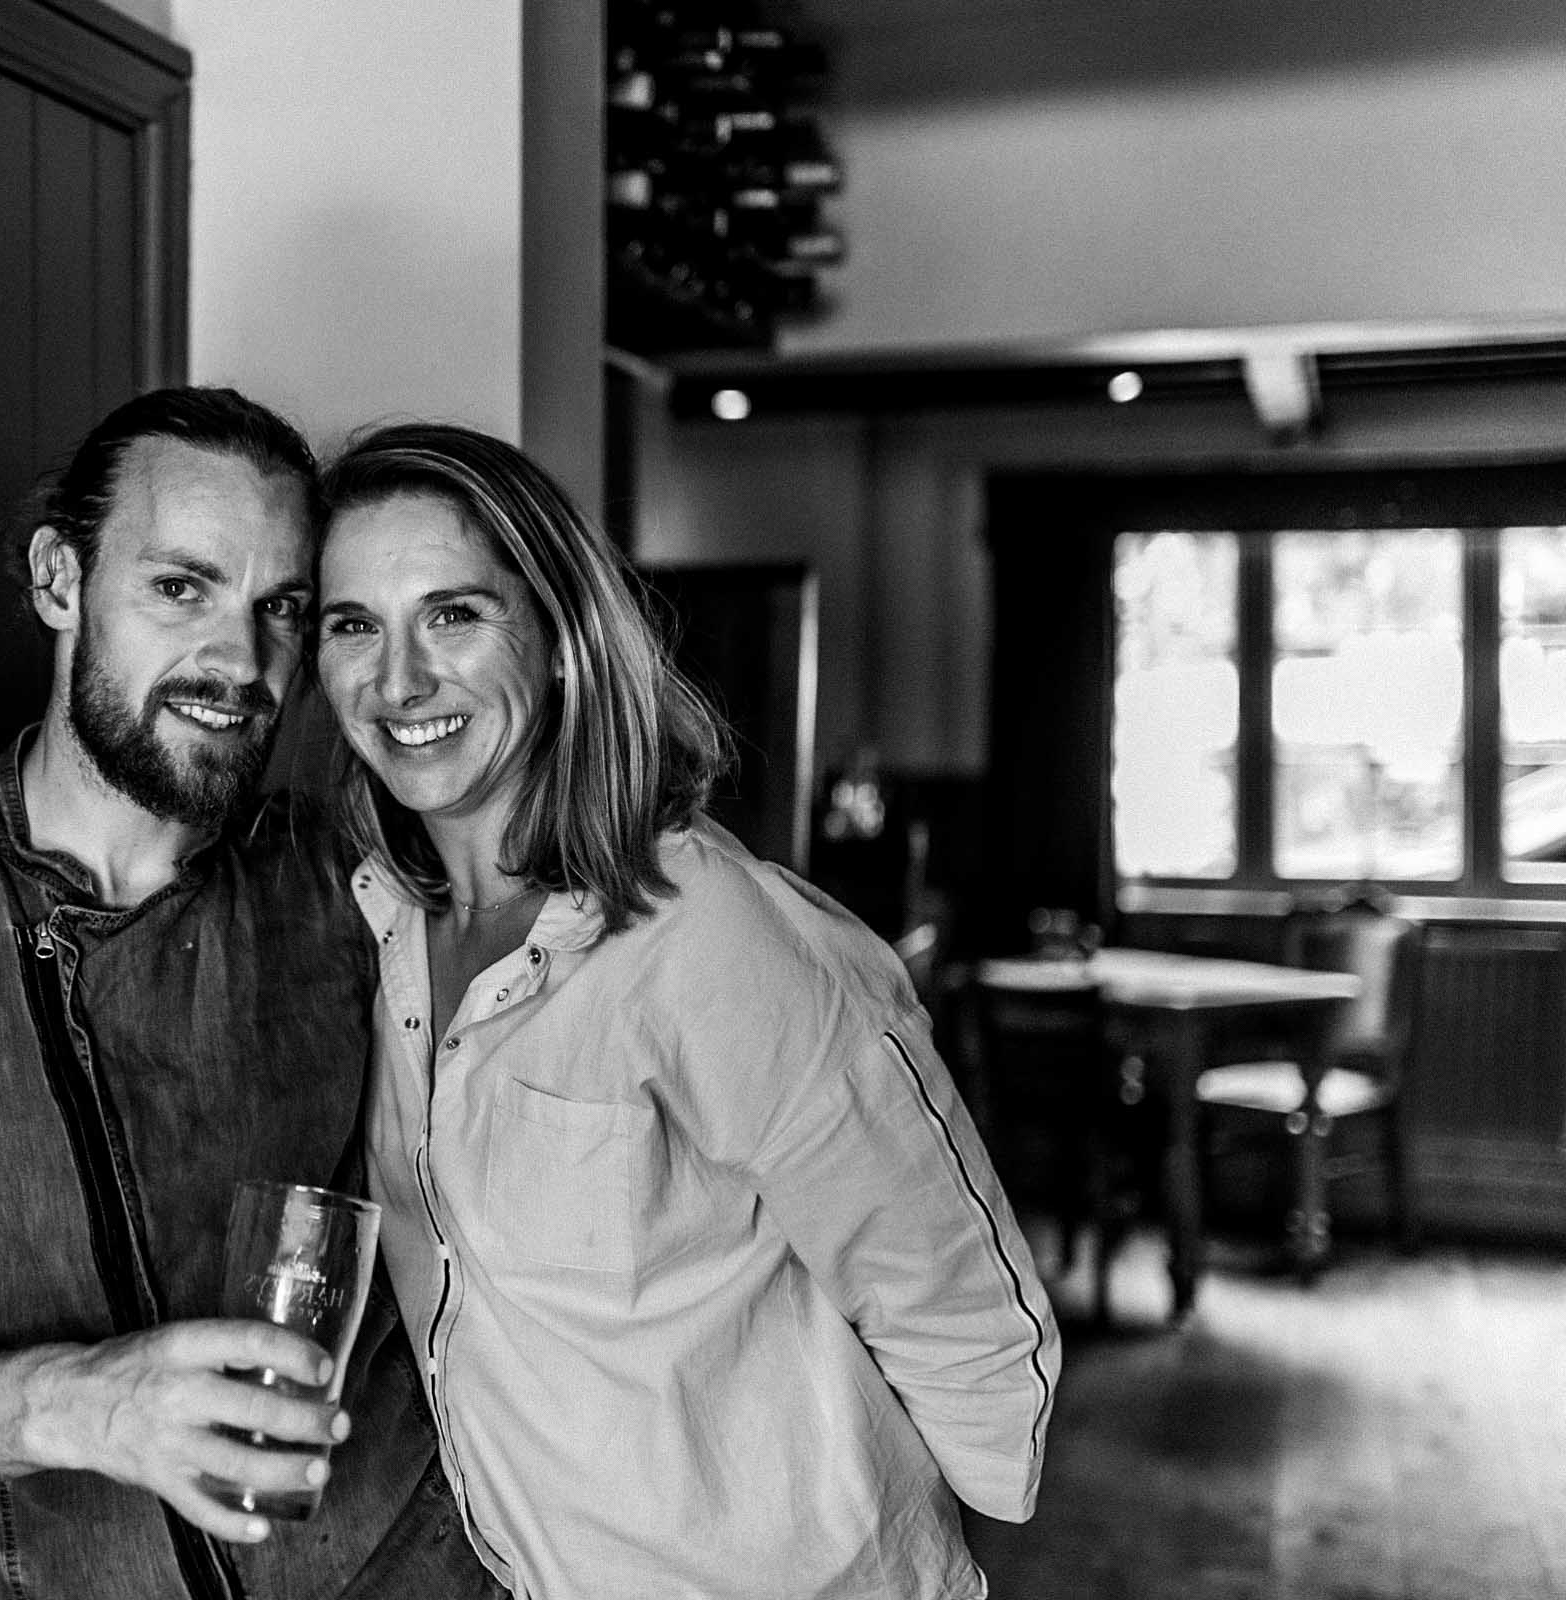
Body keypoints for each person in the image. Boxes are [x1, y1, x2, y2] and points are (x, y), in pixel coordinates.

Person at [0, 387, 503, 1600]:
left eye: (280, 608)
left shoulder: (360, 880)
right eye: (180, 587)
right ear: (59, 580)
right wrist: (81, 1403)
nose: (239, 662)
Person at [312, 422, 1062, 1600]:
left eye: (452, 614)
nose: (398, 679)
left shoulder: (702, 926)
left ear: (560, 641)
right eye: (352, 623)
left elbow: (951, 1296)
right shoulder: (380, 930)